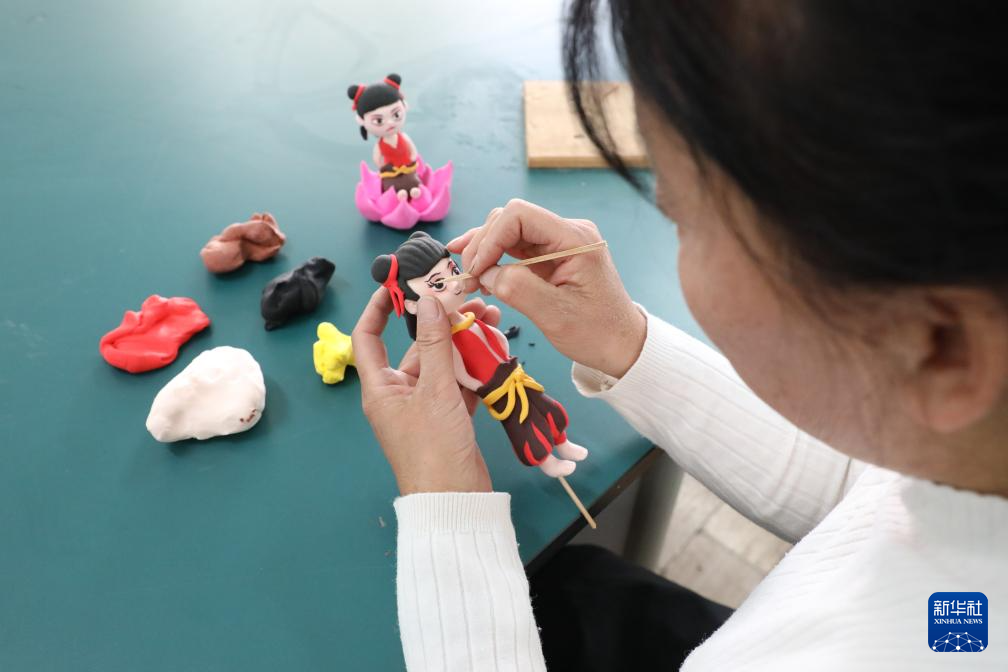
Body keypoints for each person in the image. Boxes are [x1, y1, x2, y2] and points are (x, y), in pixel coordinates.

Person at [351, 1, 1008, 669]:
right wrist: (626, 345)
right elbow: (864, 492)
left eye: (686, 220)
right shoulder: (967, 460)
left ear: (940, 349)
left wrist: (444, 502)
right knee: (577, 585)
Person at [369, 231, 587, 478]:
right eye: (439, 284)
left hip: (512, 371)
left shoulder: (469, 319)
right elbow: (459, 369)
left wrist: (503, 350)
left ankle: (563, 442)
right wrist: (482, 387)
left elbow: (492, 336)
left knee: (546, 406)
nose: (455, 283)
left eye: (453, 270)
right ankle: (548, 461)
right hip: (497, 387)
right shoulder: (448, 340)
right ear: (413, 305)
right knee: (522, 423)